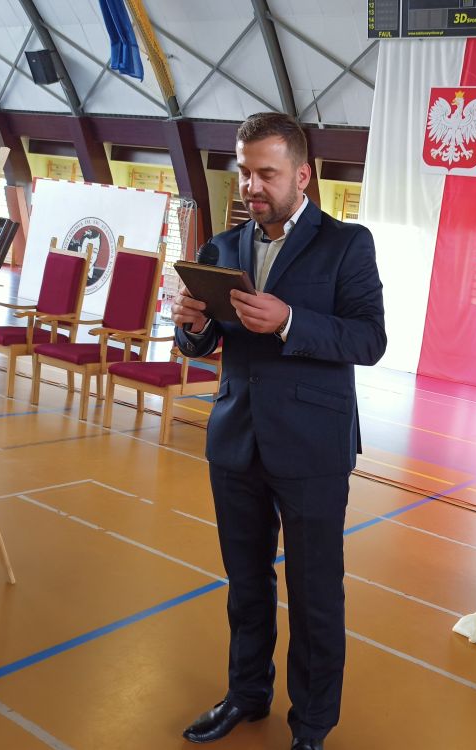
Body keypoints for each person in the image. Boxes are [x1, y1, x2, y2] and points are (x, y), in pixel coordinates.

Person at [171, 113, 386, 750]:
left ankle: (312, 725)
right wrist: (190, 327)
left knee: (315, 593)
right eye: (244, 172)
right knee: (245, 583)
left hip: (312, 446)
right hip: (235, 439)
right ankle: (247, 692)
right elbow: (201, 342)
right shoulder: (220, 247)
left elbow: (369, 340)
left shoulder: (348, 244)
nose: (251, 186)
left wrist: (290, 320)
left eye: (266, 173)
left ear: (302, 176)